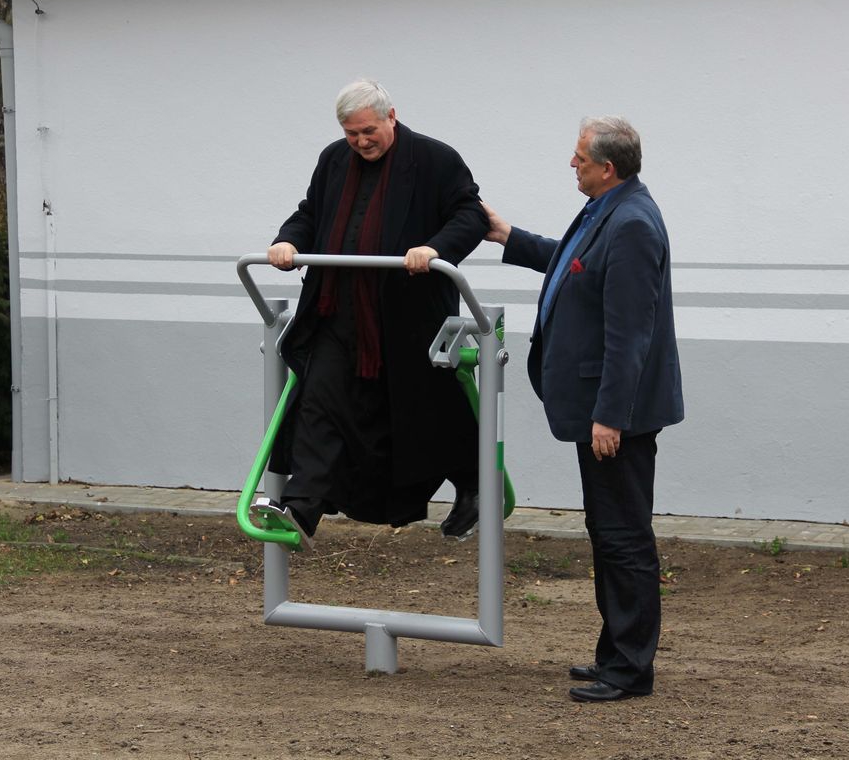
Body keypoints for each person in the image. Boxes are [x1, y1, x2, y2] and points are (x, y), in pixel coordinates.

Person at [482, 116, 683, 702]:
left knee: (623, 537)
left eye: (578, 157)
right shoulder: (609, 210)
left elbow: (630, 334)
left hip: (617, 415)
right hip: (602, 407)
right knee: (608, 531)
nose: (571, 164)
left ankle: (630, 669)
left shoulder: (633, 225)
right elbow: (572, 262)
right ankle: (615, 654)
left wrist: (610, 415)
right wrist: (508, 236)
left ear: (607, 166)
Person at [254, 79, 487, 549]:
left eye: (368, 131)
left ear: (391, 117)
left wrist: (434, 248)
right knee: (319, 401)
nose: (361, 141)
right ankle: (301, 509)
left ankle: (475, 486)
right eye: (351, 133)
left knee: (431, 413)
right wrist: (288, 241)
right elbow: (310, 214)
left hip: (407, 316)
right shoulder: (333, 160)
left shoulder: (434, 159)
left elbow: (471, 216)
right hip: (337, 309)